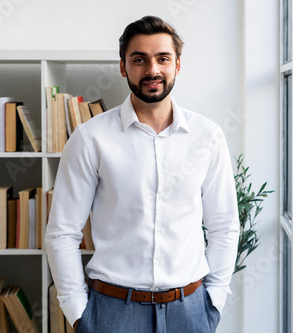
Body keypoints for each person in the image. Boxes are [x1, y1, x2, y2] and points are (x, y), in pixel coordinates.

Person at [45, 16, 240, 333]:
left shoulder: (208, 136)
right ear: (123, 66)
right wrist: (80, 315)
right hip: (111, 313)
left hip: (190, 312)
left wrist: (213, 303)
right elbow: (62, 233)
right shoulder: (90, 138)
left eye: (163, 58)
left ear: (177, 64)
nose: (152, 70)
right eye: (139, 60)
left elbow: (225, 226)